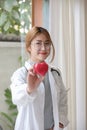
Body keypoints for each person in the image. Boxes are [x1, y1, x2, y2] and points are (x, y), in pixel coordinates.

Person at [10, 26, 69, 130]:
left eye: (47, 43)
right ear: (29, 47)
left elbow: (62, 101)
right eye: (38, 43)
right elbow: (16, 98)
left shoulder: (55, 73)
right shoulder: (20, 74)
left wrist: (60, 123)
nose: (43, 48)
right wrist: (29, 89)